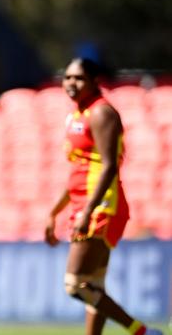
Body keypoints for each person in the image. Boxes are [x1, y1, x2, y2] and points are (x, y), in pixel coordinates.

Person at [45, 58, 163, 335]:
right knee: (93, 285)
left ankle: (142, 332)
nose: (71, 83)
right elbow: (79, 170)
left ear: (95, 81)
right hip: (83, 202)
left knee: (75, 284)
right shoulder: (76, 115)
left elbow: (110, 165)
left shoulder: (101, 114)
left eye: (79, 78)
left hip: (101, 205)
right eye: (67, 77)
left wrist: (88, 211)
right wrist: (54, 211)